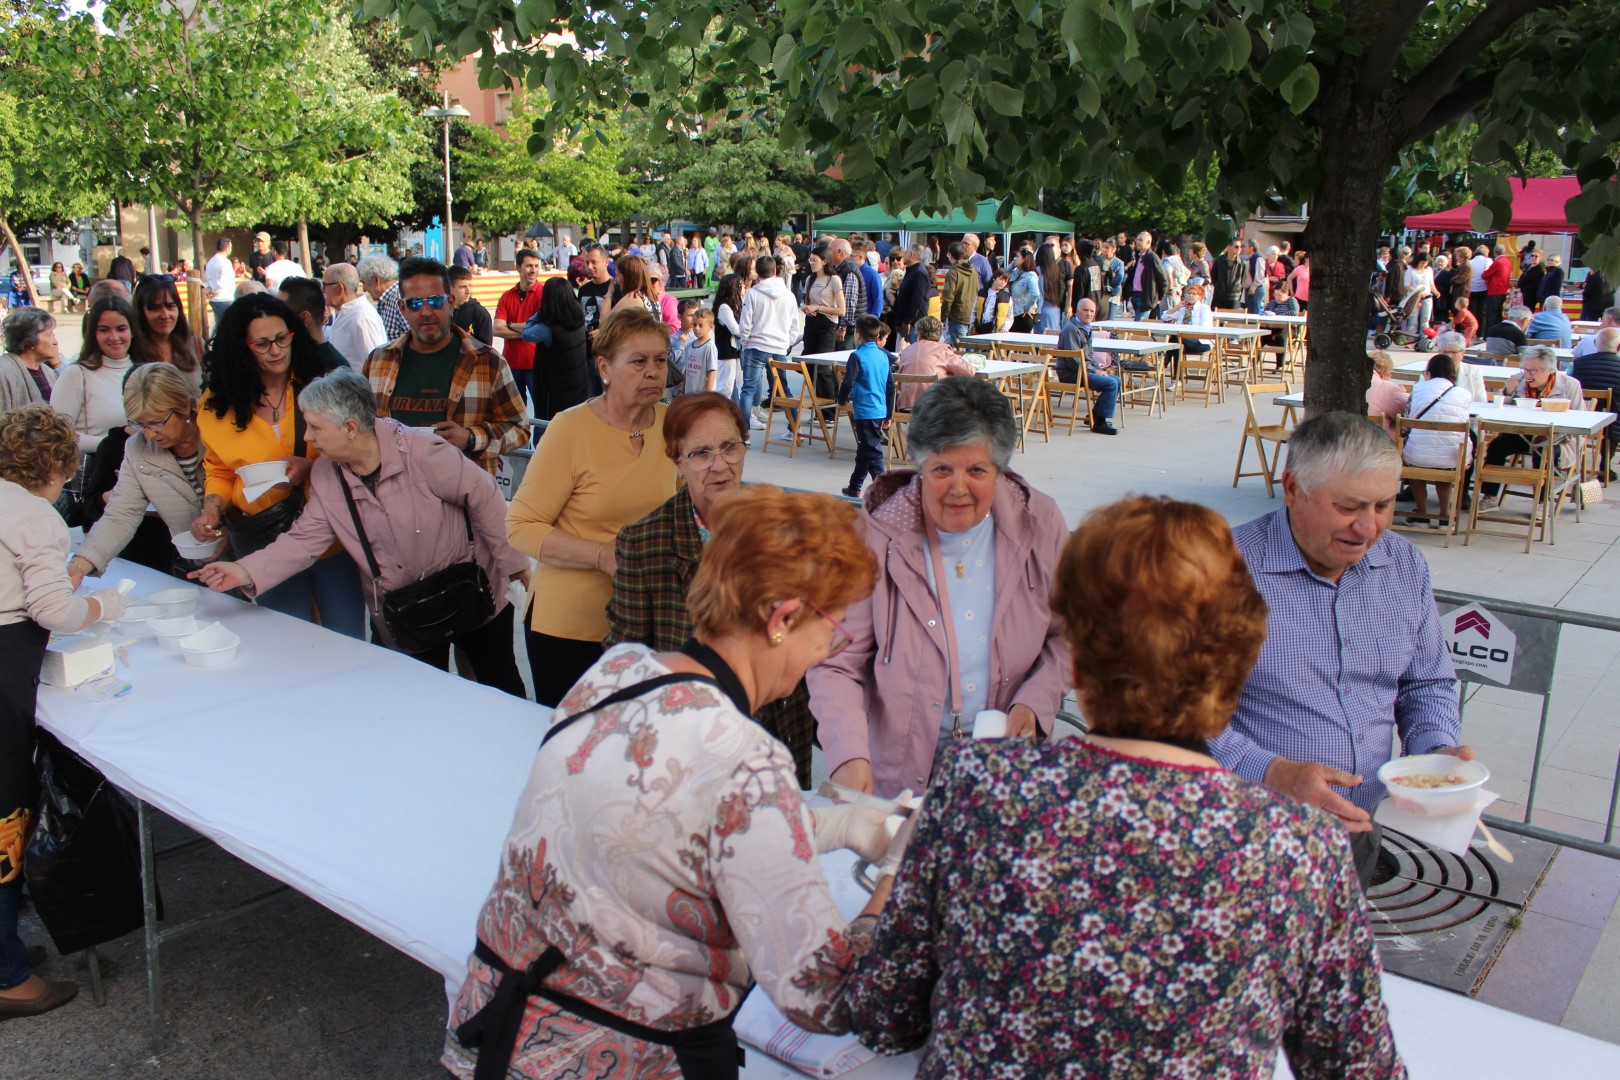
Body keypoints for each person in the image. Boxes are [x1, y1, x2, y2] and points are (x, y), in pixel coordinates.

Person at [846, 495, 1404, 1077]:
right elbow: (1360, 1068)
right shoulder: (1300, 850)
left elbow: (885, 1015)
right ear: (1236, 664)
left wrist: (879, 905)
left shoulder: (977, 787)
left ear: (1080, 662)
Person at [446, 486, 913, 1080]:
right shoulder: (746, 757)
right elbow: (825, 995)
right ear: (782, 618)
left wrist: (844, 824)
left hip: (494, 1034)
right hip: (615, 1059)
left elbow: (688, 824)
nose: (828, 651)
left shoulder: (618, 674)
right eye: (833, 631)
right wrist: (895, 880)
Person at [1209, 412, 1467, 887]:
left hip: (1358, 830)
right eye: (1349, 506)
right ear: (1292, 489)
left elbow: (1426, 681)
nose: (1368, 529)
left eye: (1384, 506)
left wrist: (1437, 749)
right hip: (1246, 832)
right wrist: (1272, 772)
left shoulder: (1404, 565)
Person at [808, 376, 1070, 796]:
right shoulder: (876, 535)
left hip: (1004, 772)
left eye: (977, 470)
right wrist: (849, 755)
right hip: (896, 778)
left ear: (1000, 469)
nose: (958, 489)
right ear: (920, 465)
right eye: (942, 469)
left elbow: (1071, 634)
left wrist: (1035, 702)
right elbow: (836, 663)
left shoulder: (1040, 524)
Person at [193, 368, 529, 694]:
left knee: (499, 684)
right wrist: (242, 570)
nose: (308, 438)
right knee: (419, 699)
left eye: (314, 427)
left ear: (350, 427)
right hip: (406, 611)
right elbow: (303, 541)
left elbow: (487, 499)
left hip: (470, 590)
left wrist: (516, 566)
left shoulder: (422, 452)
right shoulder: (328, 476)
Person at [603, 393, 811, 782]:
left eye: (730, 447)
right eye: (700, 453)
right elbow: (625, 661)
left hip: (779, 735)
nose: (720, 465)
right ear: (677, 462)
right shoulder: (645, 543)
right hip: (690, 748)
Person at [0, 405, 128, 1022]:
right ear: (56, 465)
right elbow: (53, 609)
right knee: (4, 813)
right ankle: (7, 977)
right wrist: (102, 608)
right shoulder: (37, 516)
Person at [506, 306, 678, 707]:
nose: (654, 371)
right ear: (604, 367)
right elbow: (520, 525)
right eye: (638, 361)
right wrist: (603, 556)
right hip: (569, 629)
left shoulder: (673, 426)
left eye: (660, 360)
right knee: (576, 750)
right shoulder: (570, 429)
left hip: (648, 624)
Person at [192, 292, 363, 636]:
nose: (276, 350)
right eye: (263, 343)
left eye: (283, 338)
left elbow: (362, 450)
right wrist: (211, 509)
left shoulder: (323, 383)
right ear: (242, 348)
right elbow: (220, 469)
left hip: (331, 534)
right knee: (288, 639)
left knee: (348, 639)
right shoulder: (217, 402)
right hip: (265, 539)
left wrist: (311, 468)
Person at [362, 256, 530, 475]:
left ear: (450, 303)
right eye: (414, 304)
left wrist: (471, 438)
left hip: (464, 495)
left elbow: (519, 428)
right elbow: (360, 427)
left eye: (435, 301)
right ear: (402, 309)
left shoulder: (487, 362)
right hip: (394, 495)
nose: (425, 312)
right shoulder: (378, 361)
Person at [68, 364, 213, 583]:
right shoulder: (137, 449)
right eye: (140, 424)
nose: (150, 433)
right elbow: (120, 515)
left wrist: (229, 536)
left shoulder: (219, 432)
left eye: (157, 422)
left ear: (184, 406)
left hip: (249, 559)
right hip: (192, 567)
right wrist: (79, 565)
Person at [1478, 346, 1585, 506]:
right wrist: (1507, 392)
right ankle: (1490, 497)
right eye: (1525, 369)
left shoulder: (1569, 385)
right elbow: (1500, 407)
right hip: (1524, 433)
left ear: (1550, 369)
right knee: (1496, 446)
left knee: (1543, 452)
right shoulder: (1519, 380)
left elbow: (1579, 420)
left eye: (1533, 370)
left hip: (1559, 438)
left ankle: (1543, 502)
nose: (1527, 374)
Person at [50, 294, 135, 453]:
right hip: (96, 472)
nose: (114, 337)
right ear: (93, 334)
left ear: (133, 331)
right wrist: (116, 443)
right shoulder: (76, 375)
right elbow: (57, 435)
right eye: (104, 330)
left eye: (121, 328)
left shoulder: (144, 370)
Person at [1401, 350, 1473, 525]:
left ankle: (1422, 512)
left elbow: (1407, 419)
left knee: (1416, 457)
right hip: (1451, 457)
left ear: (1429, 372)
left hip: (1416, 455)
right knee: (1445, 463)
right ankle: (1444, 514)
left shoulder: (1417, 390)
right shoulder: (1463, 393)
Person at [838, 315, 894, 499]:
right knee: (865, 449)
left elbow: (847, 382)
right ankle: (854, 486)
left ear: (858, 335)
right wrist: (888, 412)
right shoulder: (884, 356)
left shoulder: (857, 356)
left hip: (864, 410)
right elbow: (890, 386)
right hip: (879, 409)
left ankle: (884, 490)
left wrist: (841, 400)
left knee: (872, 450)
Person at [735, 255, 799, 419]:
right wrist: (787, 343)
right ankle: (794, 428)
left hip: (756, 345)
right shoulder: (788, 295)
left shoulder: (753, 293)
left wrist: (746, 341)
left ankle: (744, 432)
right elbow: (794, 325)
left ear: (757, 272)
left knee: (748, 389)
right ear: (775, 271)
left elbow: (745, 322)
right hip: (778, 347)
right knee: (783, 387)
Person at [520, 276, 592, 421]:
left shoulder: (547, 328)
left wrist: (540, 313)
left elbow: (526, 334)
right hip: (579, 385)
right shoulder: (578, 315)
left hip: (556, 391)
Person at [1056, 297, 1120, 434]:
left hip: (1083, 370)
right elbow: (1074, 361)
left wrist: (1098, 368)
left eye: (1092, 311)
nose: (1089, 314)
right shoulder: (1071, 330)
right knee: (1110, 384)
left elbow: (1089, 356)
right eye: (1085, 310)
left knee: (1116, 380)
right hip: (1072, 374)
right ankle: (1099, 423)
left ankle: (1095, 415)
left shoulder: (1086, 328)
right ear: (1077, 311)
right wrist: (1094, 371)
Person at [492, 249, 544, 413]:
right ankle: (522, 440)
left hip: (536, 362)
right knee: (514, 413)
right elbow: (497, 328)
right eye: (529, 266)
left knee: (541, 410)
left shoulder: (544, 293)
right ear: (518, 268)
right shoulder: (507, 296)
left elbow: (542, 328)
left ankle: (539, 441)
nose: (533, 270)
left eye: (536, 266)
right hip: (511, 363)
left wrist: (511, 325)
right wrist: (529, 331)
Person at [895, 317, 975, 411]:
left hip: (906, 403)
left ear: (918, 332)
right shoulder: (943, 350)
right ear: (939, 333)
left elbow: (900, 385)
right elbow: (969, 372)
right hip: (934, 405)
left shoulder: (906, 351)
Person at [1570, 326, 1620, 474]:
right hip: (1612, 423)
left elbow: (1569, 384)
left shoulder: (1578, 364)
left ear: (1595, 344)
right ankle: (1605, 465)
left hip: (1581, 416)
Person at [322, 262, 387, 371]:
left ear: (339, 288)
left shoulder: (361, 317)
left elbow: (376, 364)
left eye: (325, 285)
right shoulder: (345, 312)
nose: (323, 291)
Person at [278, 276, 348, 374]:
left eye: (280, 313)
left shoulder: (334, 369)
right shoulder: (289, 358)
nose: (274, 320)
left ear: (305, 318)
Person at [0, 307, 59, 412]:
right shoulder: (4, 373)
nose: (55, 342)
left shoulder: (49, 372)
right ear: (29, 339)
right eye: (50, 335)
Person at [800, 248, 844, 356]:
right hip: (811, 324)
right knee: (808, 362)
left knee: (822, 366)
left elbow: (842, 311)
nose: (811, 263)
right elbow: (805, 303)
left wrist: (818, 307)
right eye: (810, 260)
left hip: (827, 326)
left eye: (815, 260)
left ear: (824, 261)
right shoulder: (809, 279)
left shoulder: (834, 279)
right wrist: (804, 308)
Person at [358, 254, 408, 342]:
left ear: (377, 280)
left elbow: (418, 339)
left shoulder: (398, 298)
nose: (364, 289)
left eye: (364, 283)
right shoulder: (387, 299)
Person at [827, 238, 866, 349]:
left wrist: (843, 327)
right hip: (847, 328)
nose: (828, 252)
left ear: (839, 252)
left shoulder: (849, 270)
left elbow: (849, 302)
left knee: (843, 363)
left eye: (830, 249)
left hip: (849, 331)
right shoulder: (841, 268)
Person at [939, 242, 978, 347]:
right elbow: (976, 290)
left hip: (956, 315)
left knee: (959, 349)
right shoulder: (973, 270)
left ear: (950, 255)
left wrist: (943, 317)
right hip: (969, 313)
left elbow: (948, 297)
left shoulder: (953, 272)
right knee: (965, 347)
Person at [1365, 349, 1409, 437]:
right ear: (1384, 370)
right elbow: (1409, 411)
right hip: (1377, 443)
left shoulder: (1352, 382)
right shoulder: (1389, 389)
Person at [447, 265, 494, 347]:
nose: (468, 291)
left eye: (469, 286)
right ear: (449, 288)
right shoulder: (440, 311)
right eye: (462, 287)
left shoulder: (480, 313)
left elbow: (486, 350)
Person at [1125, 231, 1167, 319]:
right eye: (1137, 240)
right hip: (1135, 294)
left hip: (1145, 297)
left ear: (1148, 242)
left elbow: (1163, 280)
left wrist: (1158, 297)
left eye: (1141, 240)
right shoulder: (1139, 256)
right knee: (1142, 325)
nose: (1138, 242)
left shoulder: (1152, 257)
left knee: (1139, 327)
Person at [1007, 248, 1041, 332]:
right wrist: (1012, 265)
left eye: (1018, 257)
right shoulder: (1017, 272)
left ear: (1024, 259)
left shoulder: (1030, 275)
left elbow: (1035, 293)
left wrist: (1027, 307)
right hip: (1014, 314)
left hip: (1023, 315)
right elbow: (1003, 275)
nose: (1015, 259)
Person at [1212, 239, 1247, 311]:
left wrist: (1238, 291)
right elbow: (1214, 276)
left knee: (1232, 318)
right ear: (1229, 247)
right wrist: (1219, 287)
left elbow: (1243, 279)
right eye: (1236, 246)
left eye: (1240, 247)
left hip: (1234, 296)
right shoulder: (1219, 260)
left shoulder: (1242, 263)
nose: (1239, 249)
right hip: (1219, 295)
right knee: (1216, 317)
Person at [1242, 238, 1267, 313]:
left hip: (1256, 289)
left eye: (1245, 247)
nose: (1244, 249)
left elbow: (1260, 275)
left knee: (1254, 312)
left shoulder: (1258, 258)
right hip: (1249, 289)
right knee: (1249, 311)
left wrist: (1253, 287)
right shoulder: (1249, 258)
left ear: (1251, 248)